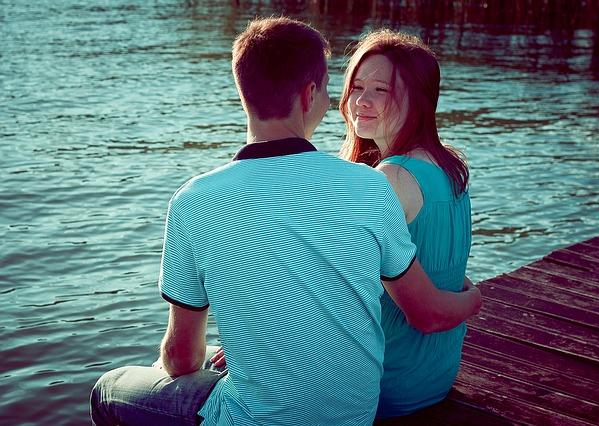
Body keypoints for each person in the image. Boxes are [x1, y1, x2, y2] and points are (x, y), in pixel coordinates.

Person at [91, 18, 481, 426]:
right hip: (355, 414)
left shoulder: (194, 200)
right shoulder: (371, 187)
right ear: (310, 94)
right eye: (338, 88)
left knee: (110, 389)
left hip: (265, 415)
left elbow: (181, 359)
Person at [339, 29, 475, 419]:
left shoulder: (390, 179)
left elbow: (335, 290)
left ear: (417, 99)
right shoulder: (450, 165)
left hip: (382, 385)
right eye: (357, 86)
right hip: (434, 375)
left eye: (380, 90)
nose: (360, 102)